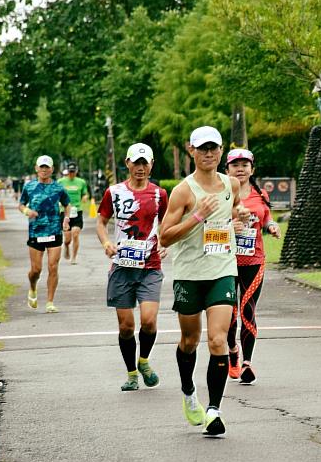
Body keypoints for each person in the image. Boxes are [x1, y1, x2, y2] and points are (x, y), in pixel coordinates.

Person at [159, 126, 249, 437]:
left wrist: (240, 219)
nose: (208, 153)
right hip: (189, 274)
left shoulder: (231, 184)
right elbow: (165, 236)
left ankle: (214, 410)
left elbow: (232, 212)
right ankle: (188, 392)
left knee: (217, 340)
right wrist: (197, 216)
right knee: (189, 341)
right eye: (202, 148)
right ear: (191, 151)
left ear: (221, 150)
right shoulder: (183, 191)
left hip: (222, 269)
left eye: (213, 147)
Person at [96, 144, 168, 392]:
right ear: (127, 163)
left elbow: (168, 224)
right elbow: (101, 221)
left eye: (144, 163)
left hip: (150, 266)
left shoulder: (160, 194)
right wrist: (106, 242)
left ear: (151, 165)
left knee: (148, 321)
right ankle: (131, 374)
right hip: (122, 267)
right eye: (135, 163)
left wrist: (166, 244)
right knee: (126, 326)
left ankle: (144, 361)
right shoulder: (114, 192)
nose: (140, 168)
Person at [224, 148, 281, 384]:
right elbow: (210, 224)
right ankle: (232, 351)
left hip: (254, 260)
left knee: (248, 309)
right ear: (226, 170)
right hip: (225, 261)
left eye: (245, 165)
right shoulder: (222, 194)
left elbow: (266, 217)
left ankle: (247, 362)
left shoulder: (260, 194)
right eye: (235, 164)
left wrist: (272, 226)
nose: (240, 168)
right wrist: (230, 226)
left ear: (252, 169)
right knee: (228, 313)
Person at [18, 155, 71, 313]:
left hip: (54, 230)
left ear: (52, 170)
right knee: (36, 269)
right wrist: (27, 211)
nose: (44, 170)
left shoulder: (58, 188)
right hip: (36, 231)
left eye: (47, 167)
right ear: (36, 168)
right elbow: (20, 205)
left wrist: (66, 219)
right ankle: (33, 287)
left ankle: (50, 302)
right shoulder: (29, 187)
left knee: (53, 267)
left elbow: (67, 205)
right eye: (41, 167)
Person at [58, 162, 89, 264]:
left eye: (73, 172)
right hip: (65, 211)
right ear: (68, 171)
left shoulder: (81, 182)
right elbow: (56, 194)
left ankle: (74, 258)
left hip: (77, 210)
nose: (72, 174)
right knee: (67, 238)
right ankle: (66, 245)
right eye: (70, 172)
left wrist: (85, 197)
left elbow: (85, 193)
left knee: (75, 234)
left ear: (76, 171)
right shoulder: (61, 181)